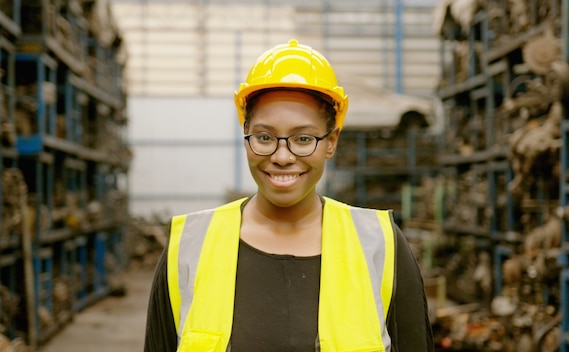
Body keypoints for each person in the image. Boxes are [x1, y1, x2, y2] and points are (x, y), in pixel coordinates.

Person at [144, 39, 434, 352]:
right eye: (265, 137)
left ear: (331, 142)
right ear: (246, 137)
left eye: (303, 138)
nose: (282, 155)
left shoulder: (379, 244)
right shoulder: (188, 246)